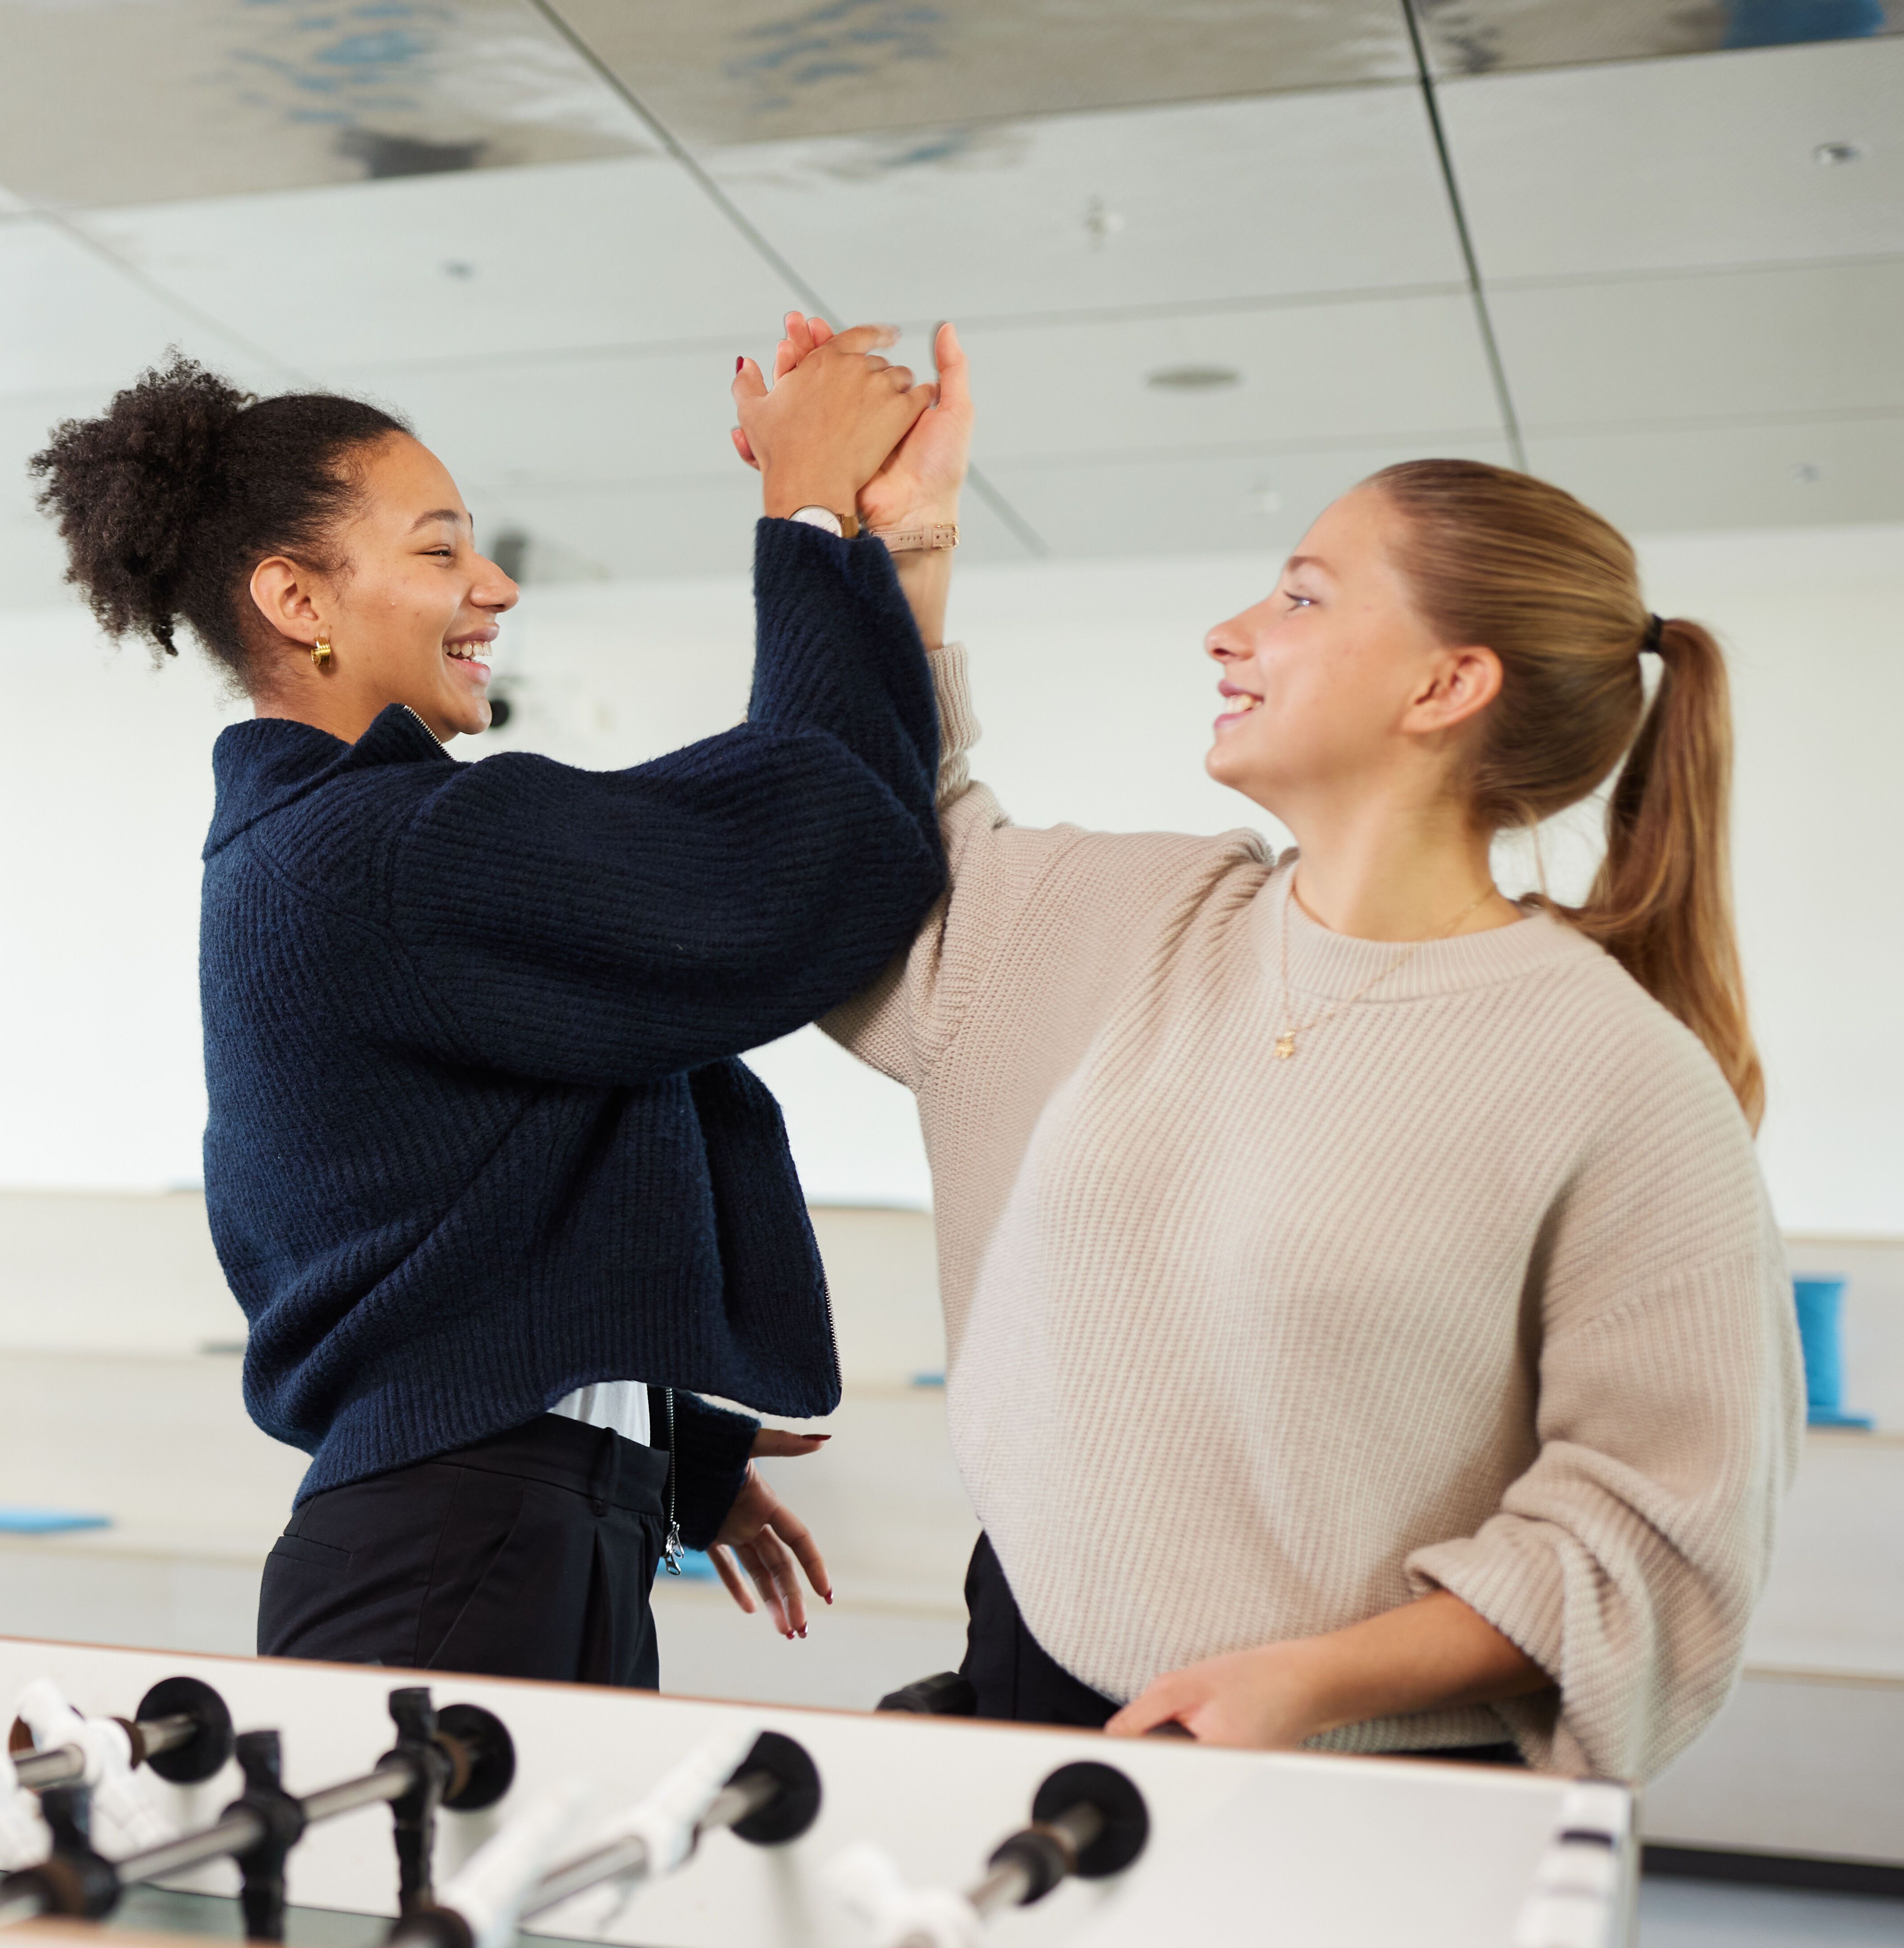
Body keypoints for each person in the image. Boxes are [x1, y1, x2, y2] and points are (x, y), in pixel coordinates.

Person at [770, 317, 1800, 1779]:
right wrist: (906, 542)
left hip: (1355, 1769)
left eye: (1303, 597)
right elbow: (885, 854)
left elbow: (1652, 1529)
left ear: (1446, 686)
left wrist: (1312, 1682)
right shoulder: (1144, 916)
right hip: (1030, 1686)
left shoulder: (1615, 1076)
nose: (1231, 630)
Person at [31, 326, 956, 1685]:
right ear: (299, 600)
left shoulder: (313, 849)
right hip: (457, 1554)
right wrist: (812, 515)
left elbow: (430, 1215)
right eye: (439, 550)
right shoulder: (385, 849)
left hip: (488, 1537)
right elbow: (810, 861)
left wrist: (646, 1444)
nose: (496, 584)